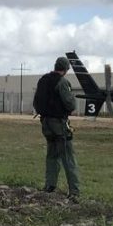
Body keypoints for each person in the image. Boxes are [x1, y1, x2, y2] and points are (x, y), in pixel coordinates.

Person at [33, 56, 79, 202]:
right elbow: (70, 104)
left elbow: (36, 102)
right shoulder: (62, 82)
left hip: (46, 123)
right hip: (59, 124)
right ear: (65, 70)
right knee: (67, 157)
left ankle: (49, 186)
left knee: (52, 155)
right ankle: (74, 191)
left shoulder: (43, 80)